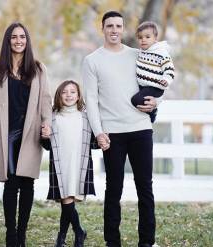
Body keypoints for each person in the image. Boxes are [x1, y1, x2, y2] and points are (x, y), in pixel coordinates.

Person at [82, 11, 159, 247]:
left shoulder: (138, 55)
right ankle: (112, 242)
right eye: (109, 26)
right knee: (113, 189)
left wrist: (156, 103)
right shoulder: (92, 61)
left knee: (144, 187)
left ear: (123, 29)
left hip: (140, 129)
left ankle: (147, 241)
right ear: (102, 29)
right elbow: (91, 101)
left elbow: (155, 84)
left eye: (118, 26)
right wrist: (99, 132)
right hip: (112, 134)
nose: (114, 30)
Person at [0, 22, 52, 247]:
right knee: (11, 184)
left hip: (31, 133)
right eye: (14, 37)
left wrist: (47, 124)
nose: (18, 40)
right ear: (7, 41)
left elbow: (46, 101)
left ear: (27, 41)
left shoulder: (39, 69)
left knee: (27, 184)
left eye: (22, 37)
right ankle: (11, 234)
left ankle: (22, 234)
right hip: (8, 135)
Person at [41, 80, 98, 247]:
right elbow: (46, 145)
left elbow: (93, 143)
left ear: (79, 96)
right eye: (65, 92)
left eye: (72, 92)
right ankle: (79, 231)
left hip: (79, 164)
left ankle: (62, 237)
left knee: (68, 201)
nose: (68, 95)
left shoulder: (86, 117)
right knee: (67, 201)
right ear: (59, 95)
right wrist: (45, 136)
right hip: (60, 164)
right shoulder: (52, 116)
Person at [131, 21, 175, 123]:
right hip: (144, 86)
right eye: (140, 37)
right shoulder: (142, 51)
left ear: (155, 38)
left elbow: (170, 69)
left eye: (147, 37)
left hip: (155, 86)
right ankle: (146, 115)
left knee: (135, 100)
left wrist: (166, 80)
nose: (143, 40)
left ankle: (152, 112)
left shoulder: (161, 53)